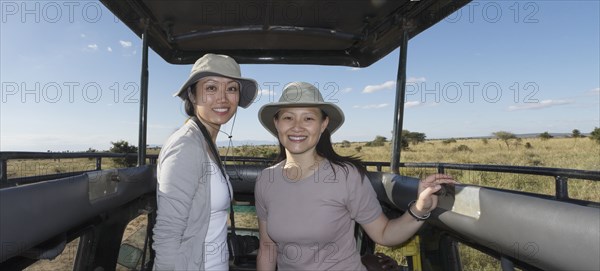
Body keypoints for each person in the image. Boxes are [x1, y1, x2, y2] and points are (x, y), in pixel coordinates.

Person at [254, 82, 457, 271]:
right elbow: (267, 246)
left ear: (323, 124)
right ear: (276, 123)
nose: (297, 126)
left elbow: (384, 233)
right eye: (288, 117)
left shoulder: (346, 177)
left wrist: (419, 209)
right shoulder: (266, 180)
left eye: (308, 118)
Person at [153, 54, 258, 270]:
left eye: (231, 89)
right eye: (211, 88)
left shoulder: (205, 143)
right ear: (192, 95)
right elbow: (168, 233)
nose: (223, 98)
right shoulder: (186, 147)